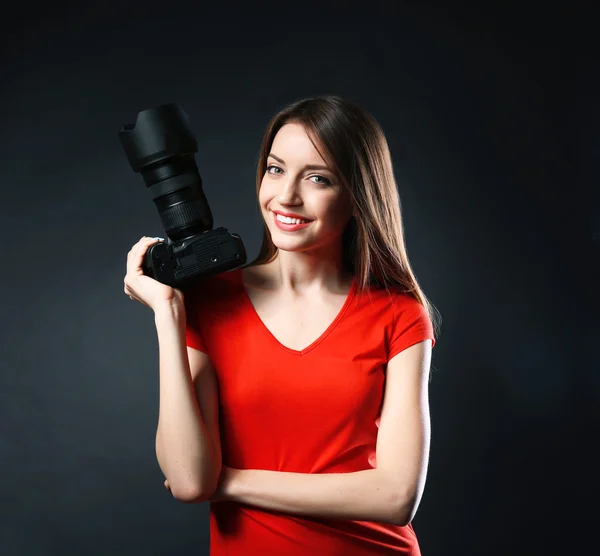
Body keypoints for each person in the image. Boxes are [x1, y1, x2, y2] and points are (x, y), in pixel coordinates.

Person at [124, 95, 440, 555]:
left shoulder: (398, 314)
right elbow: (190, 480)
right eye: (276, 169)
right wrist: (169, 316)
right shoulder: (210, 304)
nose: (287, 196)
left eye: (318, 178)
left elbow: (395, 497)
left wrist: (228, 482)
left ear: (357, 196)